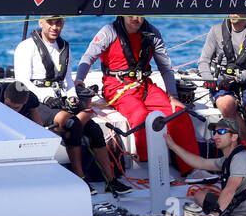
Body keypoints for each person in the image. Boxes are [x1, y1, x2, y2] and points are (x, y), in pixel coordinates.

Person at [74, 15, 201, 171]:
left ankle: (192, 168)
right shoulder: (109, 31)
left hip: (144, 85)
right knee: (139, 115)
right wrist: (79, 79)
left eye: (140, 14)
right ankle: (148, 166)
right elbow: (89, 56)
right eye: (131, 14)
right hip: (116, 87)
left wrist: (173, 97)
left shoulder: (152, 32)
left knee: (179, 112)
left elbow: (165, 67)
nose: (136, 18)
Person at [14, 15, 125, 189]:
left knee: (95, 130)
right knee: (71, 123)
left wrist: (72, 96)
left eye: (58, 23)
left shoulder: (65, 47)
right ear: (41, 23)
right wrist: (45, 98)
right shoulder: (26, 47)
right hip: (36, 101)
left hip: (60, 99)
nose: (54, 27)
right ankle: (80, 178)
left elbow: (67, 80)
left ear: (63, 24)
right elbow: (22, 81)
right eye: (50, 23)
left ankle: (111, 180)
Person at [164, 117, 246, 216]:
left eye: (221, 132)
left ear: (234, 137)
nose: (215, 136)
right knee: (199, 195)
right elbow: (200, 163)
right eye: (214, 132)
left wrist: (214, 214)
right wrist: (173, 146)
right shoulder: (229, 158)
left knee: (207, 200)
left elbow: (230, 189)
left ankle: (222, 213)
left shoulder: (241, 158)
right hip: (236, 203)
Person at [198, 13, 246, 151]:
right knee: (227, 106)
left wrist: (238, 79)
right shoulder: (216, 30)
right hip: (221, 80)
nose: (233, 13)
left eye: (238, 9)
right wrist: (208, 79)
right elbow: (203, 61)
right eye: (231, 9)